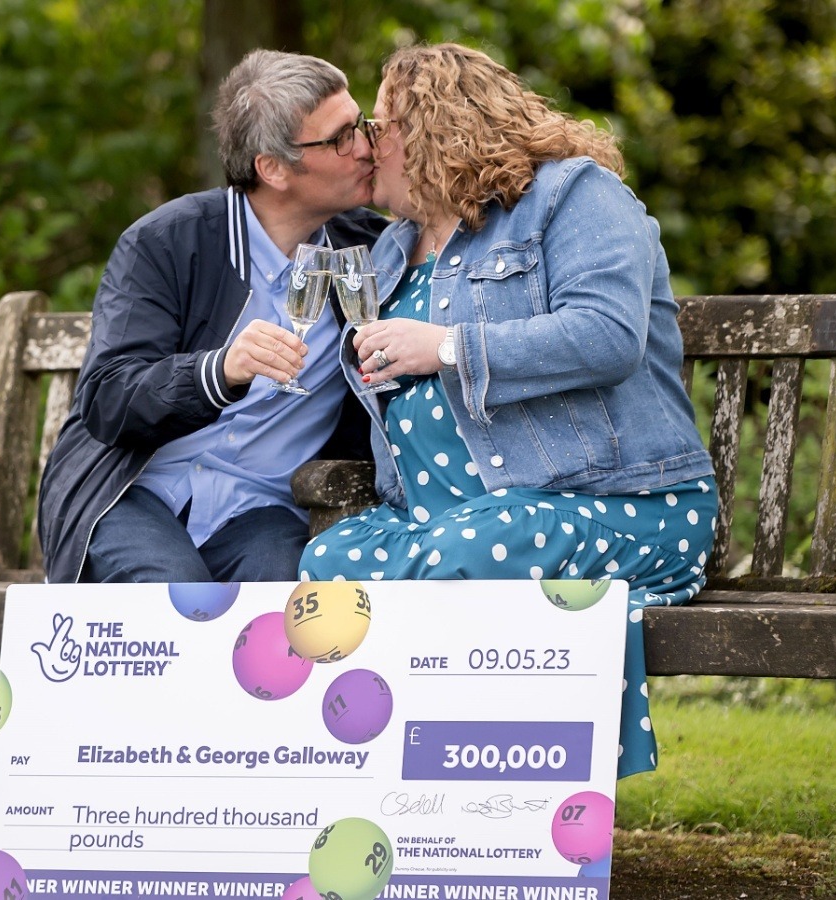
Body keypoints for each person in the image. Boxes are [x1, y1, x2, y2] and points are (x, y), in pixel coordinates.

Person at [299, 43, 717, 779]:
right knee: (331, 560)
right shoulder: (392, 250)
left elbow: (609, 335)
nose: (366, 143)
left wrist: (448, 346)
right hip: (435, 519)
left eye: (380, 123)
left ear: (433, 128)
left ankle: (489, 797)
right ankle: (378, 785)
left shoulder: (572, 197)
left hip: (615, 505)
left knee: (485, 541)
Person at [38, 49, 386, 584]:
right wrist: (219, 373)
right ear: (273, 168)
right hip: (134, 492)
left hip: (264, 509)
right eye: (340, 138)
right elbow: (108, 396)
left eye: (360, 126)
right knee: (175, 598)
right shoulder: (169, 241)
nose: (366, 148)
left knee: (280, 615)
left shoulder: (371, 250)